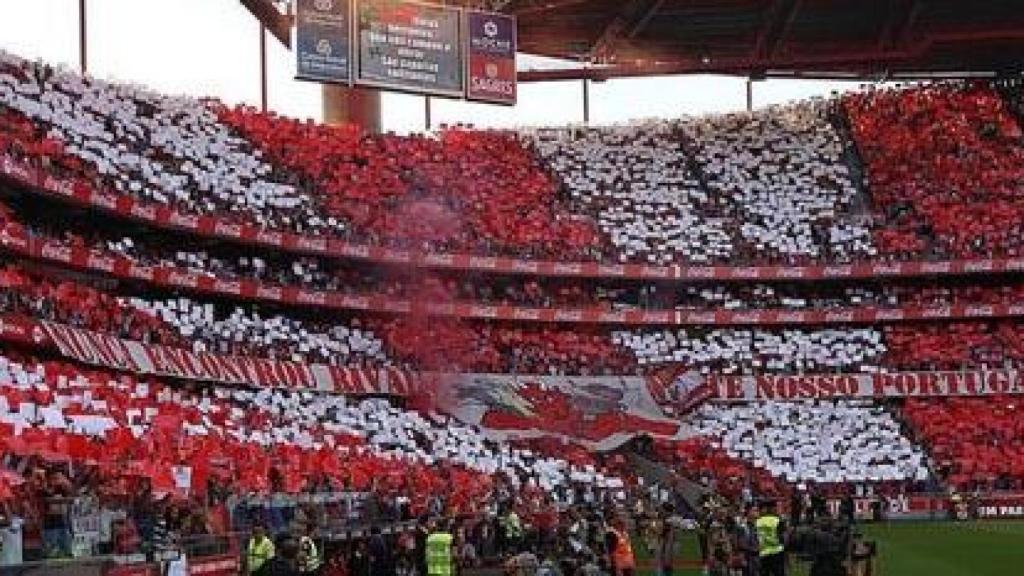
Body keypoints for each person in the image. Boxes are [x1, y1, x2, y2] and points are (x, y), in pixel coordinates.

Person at [755, 500, 786, 576]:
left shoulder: (758, 522)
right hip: (777, 551)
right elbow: (783, 537)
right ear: (773, 509)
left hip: (763, 552)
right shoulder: (777, 521)